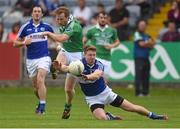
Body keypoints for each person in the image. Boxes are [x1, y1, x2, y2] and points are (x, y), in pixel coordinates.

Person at [53, 45, 168, 121]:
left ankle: (153, 116)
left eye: (94, 55)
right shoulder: (77, 65)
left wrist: (87, 77)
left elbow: (96, 75)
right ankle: (109, 116)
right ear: (85, 54)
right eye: (90, 55)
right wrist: (60, 67)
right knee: (102, 118)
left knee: (131, 107)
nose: (92, 57)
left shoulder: (99, 64)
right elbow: (67, 69)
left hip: (106, 94)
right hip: (92, 99)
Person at [42, 7, 83, 119]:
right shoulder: (63, 23)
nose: (59, 22)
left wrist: (49, 34)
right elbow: (60, 41)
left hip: (76, 55)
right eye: (57, 19)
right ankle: (57, 68)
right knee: (58, 62)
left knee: (68, 89)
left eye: (61, 19)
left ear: (67, 17)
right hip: (65, 51)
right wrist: (59, 46)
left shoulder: (74, 25)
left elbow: (61, 38)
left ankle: (68, 106)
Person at [13, 5, 54, 115]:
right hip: (31, 60)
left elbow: (55, 38)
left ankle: (42, 107)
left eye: (39, 11)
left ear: (42, 14)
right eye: (35, 11)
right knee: (36, 88)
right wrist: (23, 43)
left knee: (41, 79)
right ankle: (40, 101)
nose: (36, 13)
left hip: (44, 57)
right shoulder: (25, 27)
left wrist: (58, 46)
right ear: (32, 14)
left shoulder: (47, 27)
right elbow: (15, 43)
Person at [83, 11, 120, 79]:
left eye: (105, 18)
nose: (103, 19)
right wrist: (84, 52)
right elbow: (83, 41)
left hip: (107, 58)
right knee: (97, 78)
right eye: (101, 17)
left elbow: (117, 42)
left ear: (108, 19)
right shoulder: (92, 30)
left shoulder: (112, 30)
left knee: (104, 81)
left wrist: (111, 46)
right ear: (98, 18)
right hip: (96, 57)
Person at [134, 20, 155, 96]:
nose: (142, 26)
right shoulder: (137, 34)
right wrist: (148, 43)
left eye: (144, 25)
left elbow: (153, 45)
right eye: (141, 25)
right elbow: (141, 44)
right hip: (139, 58)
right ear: (138, 26)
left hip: (146, 58)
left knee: (146, 76)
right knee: (139, 75)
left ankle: (145, 92)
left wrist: (147, 43)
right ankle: (138, 92)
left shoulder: (147, 35)